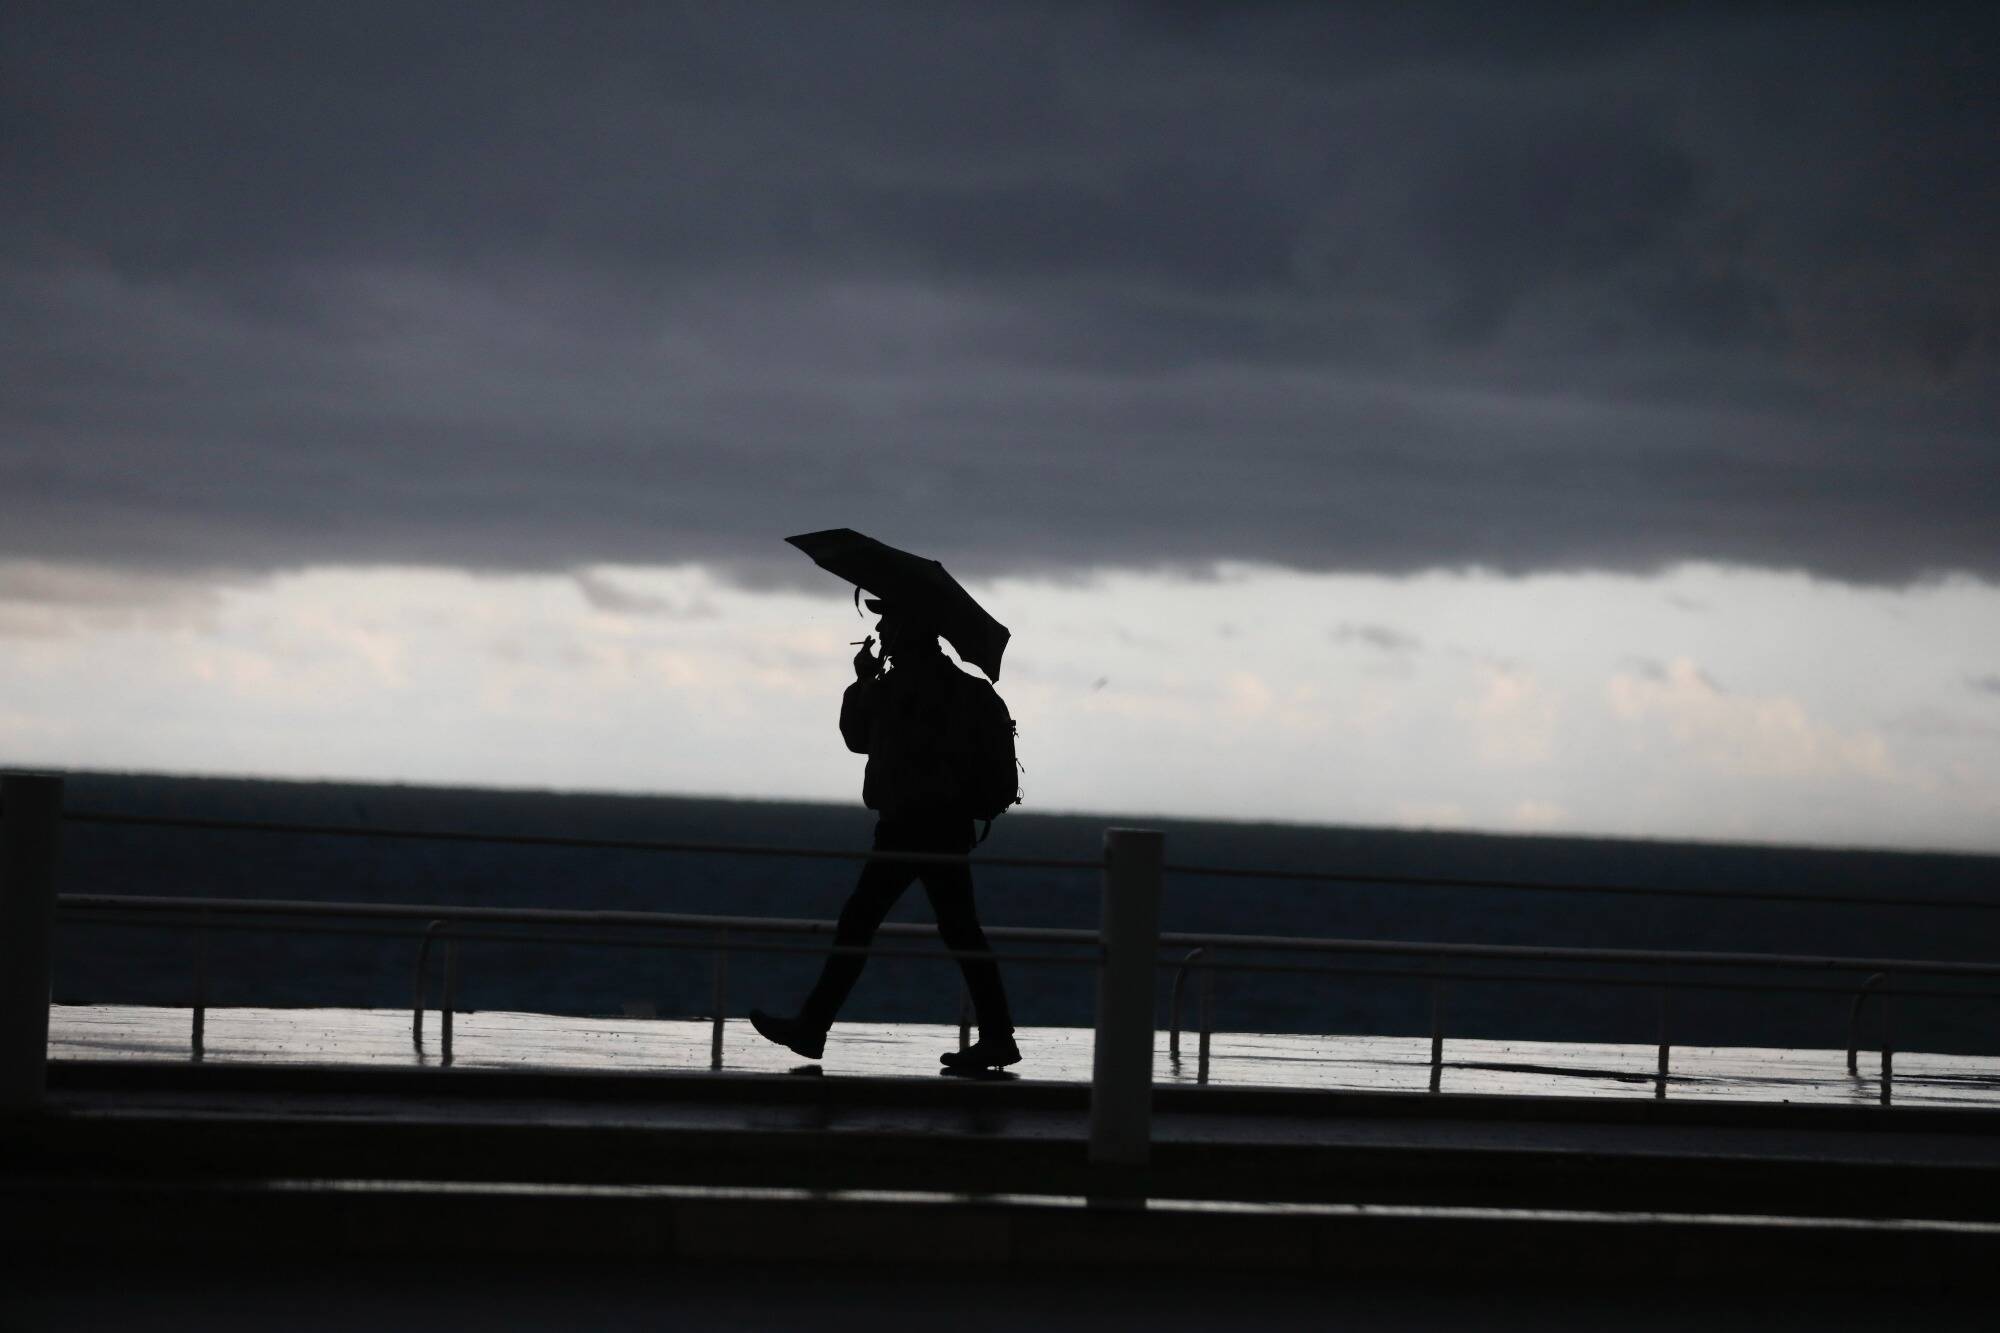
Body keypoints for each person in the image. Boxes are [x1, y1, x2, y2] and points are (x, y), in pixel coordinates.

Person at [749, 601, 1019, 1070]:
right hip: (946, 827)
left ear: (905, 630)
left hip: (906, 826)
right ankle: (997, 1036)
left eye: (887, 621)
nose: (878, 628)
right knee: (956, 930)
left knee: (862, 924)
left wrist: (862, 680)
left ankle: (813, 1027)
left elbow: (856, 737)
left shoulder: (897, 688)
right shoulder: (965, 690)